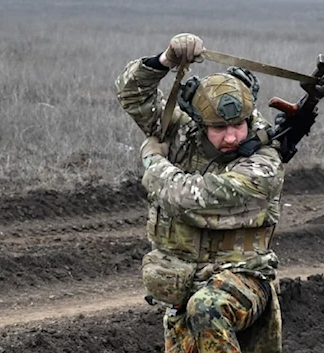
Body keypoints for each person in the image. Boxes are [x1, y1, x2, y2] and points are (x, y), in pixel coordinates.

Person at [115, 33, 284, 353]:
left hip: (244, 280)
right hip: (186, 284)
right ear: (201, 122)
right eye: (220, 128)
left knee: (207, 307)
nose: (232, 137)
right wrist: (165, 60)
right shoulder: (183, 132)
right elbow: (131, 94)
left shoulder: (264, 165)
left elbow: (187, 200)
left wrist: (153, 161)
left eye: (238, 125)